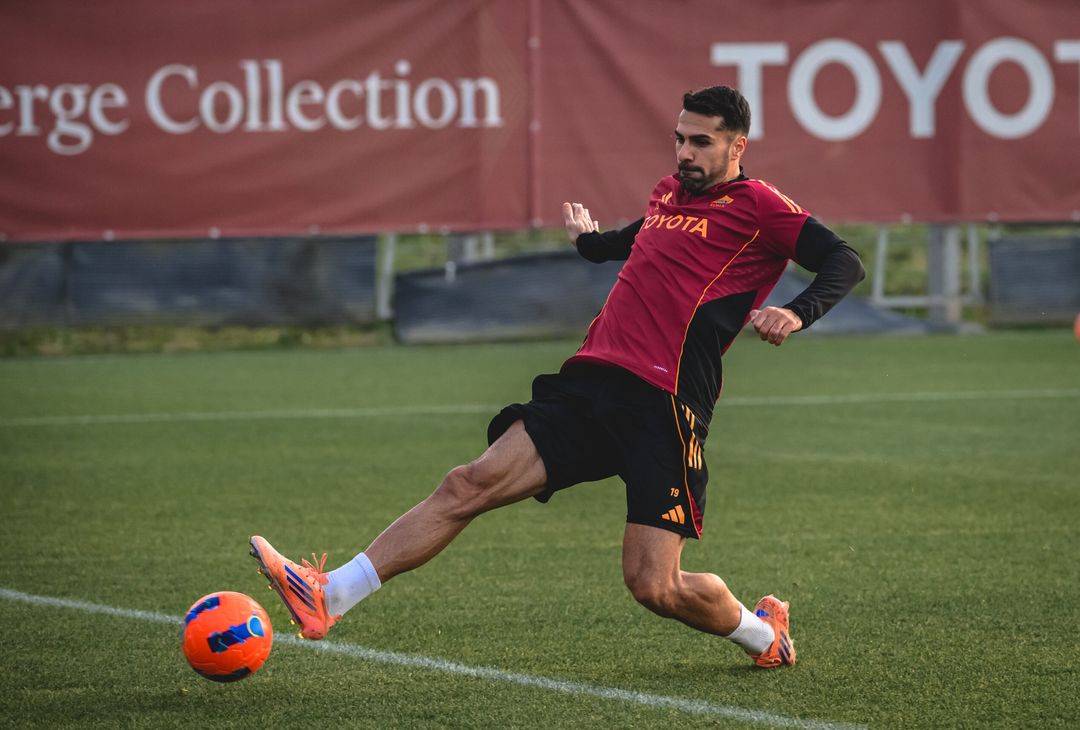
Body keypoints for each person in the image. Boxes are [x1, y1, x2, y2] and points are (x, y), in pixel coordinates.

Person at [250, 85, 864, 669]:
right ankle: (328, 595)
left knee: (655, 585)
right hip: (591, 381)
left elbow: (844, 259)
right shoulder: (667, 196)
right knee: (470, 482)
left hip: (665, 400)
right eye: (679, 138)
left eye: (701, 142)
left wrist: (795, 310)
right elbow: (643, 240)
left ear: (737, 147)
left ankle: (763, 634)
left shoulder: (760, 206)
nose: (684, 153)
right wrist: (593, 244)